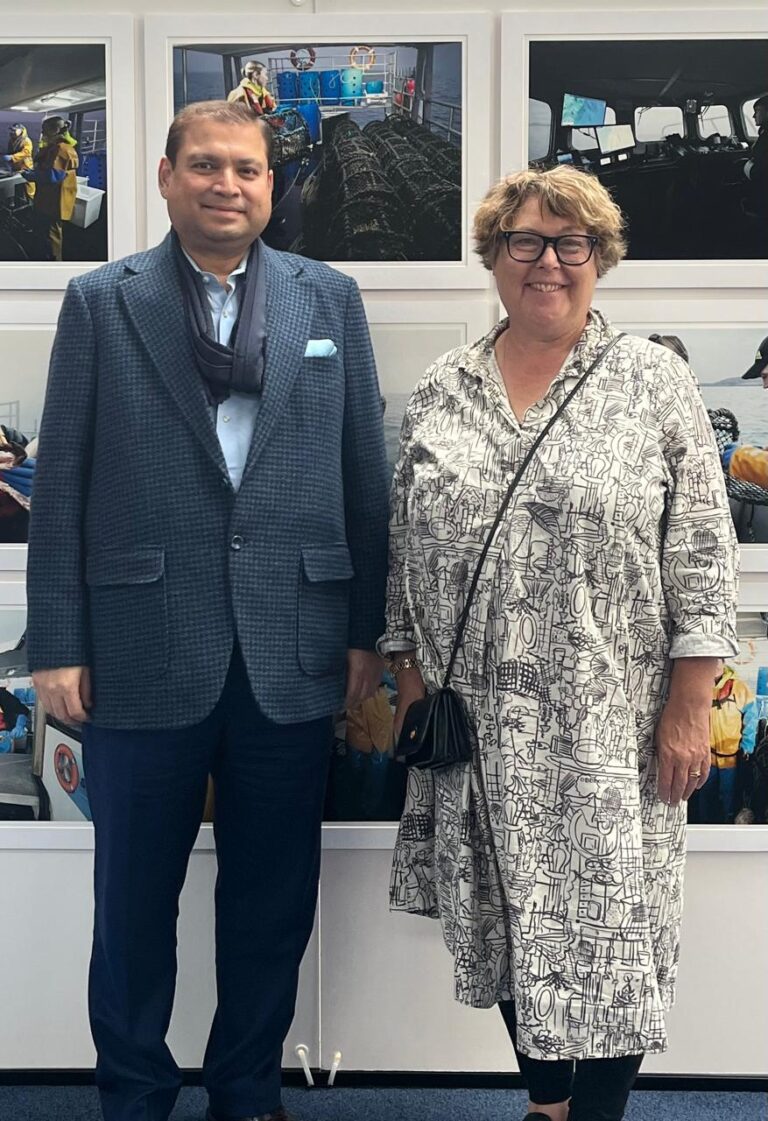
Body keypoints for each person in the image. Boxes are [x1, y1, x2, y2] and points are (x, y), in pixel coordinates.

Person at [26, 99, 388, 1121]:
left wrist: (364, 625)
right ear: (166, 176)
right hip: (139, 649)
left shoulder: (330, 300)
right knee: (132, 901)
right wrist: (57, 642)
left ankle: (246, 1089)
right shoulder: (104, 300)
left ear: (272, 183)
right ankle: (133, 1092)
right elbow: (63, 485)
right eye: (206, 166)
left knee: (270, 903)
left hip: (293, 647)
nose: (227, 184)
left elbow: (366, 476)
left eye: (246, 168)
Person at [381, 166, 739, 1121]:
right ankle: (547, 1103)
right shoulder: (440, 389)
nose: (546, 261)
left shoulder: (651, 379)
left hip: (608, 720)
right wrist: (411, 681)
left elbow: (703, 549)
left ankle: (600, 1111)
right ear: (493, 256)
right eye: (523, 242)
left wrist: (689, 705)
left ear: (600, 257)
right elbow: (405, 551)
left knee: (613, 926)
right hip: (478, 722)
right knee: (502, 920)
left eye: (568, 242)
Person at [23, 115, 78, 260]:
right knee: (48, 232)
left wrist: (31, 176)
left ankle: (53, 264)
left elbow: (53, 176)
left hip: (53, 202)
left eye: (45, 131)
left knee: (51, 235)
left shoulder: (61, 149)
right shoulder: (60, 147)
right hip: (49, 200)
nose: (43, 134)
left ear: (53, 131)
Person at [1, 124, 35, 201]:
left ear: (21, 130)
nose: (12, 132)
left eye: (14, 130)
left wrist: (12, 157)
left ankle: (32, 202)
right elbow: (10, 151)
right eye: (11, 130)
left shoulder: (26, 140)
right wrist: (8, 162)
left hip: (26, 166)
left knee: (29, 187)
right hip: (15, 167)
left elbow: (26, 152)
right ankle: (20, 201)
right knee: (18, 187)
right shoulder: (11, 140)